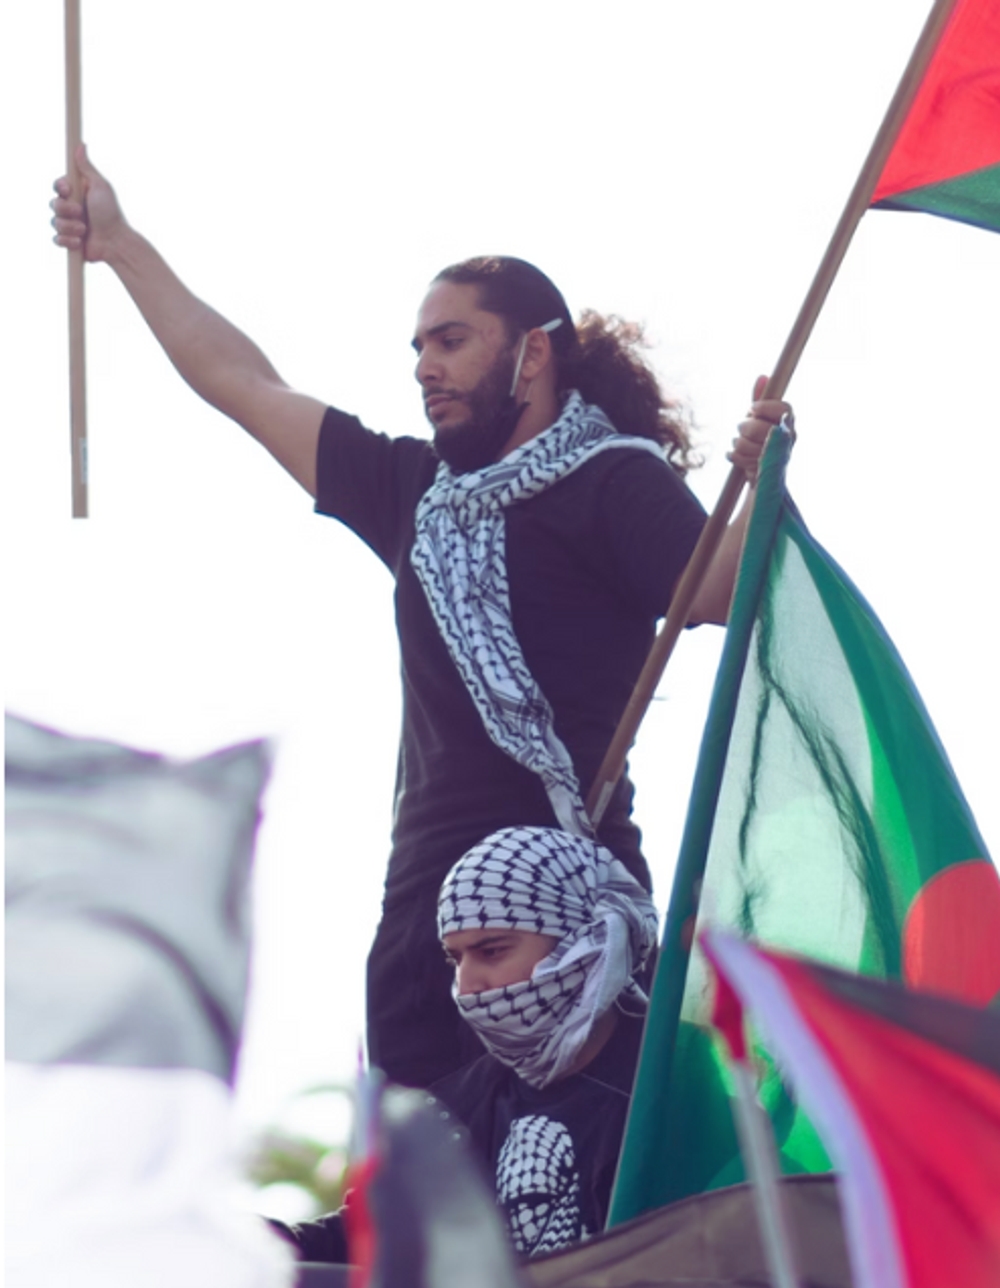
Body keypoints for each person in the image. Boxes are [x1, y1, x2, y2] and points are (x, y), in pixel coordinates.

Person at [51, 150, 790, 1088]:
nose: (424, 369)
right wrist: (120, 246)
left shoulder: (615, 481)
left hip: (562, 902)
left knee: (563, 1197)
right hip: (430, 916)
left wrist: (761, 487)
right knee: (415, 1198)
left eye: (451, 342)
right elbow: (243, 382)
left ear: (535, 350)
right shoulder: (416, 491)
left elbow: (719, 591)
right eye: (418, 349)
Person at [432, 824, 658, 1256]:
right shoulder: (450, 1111)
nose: (468, 985)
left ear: (582, 941)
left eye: (492, 950)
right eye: (455, 959)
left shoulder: (672, 1094)